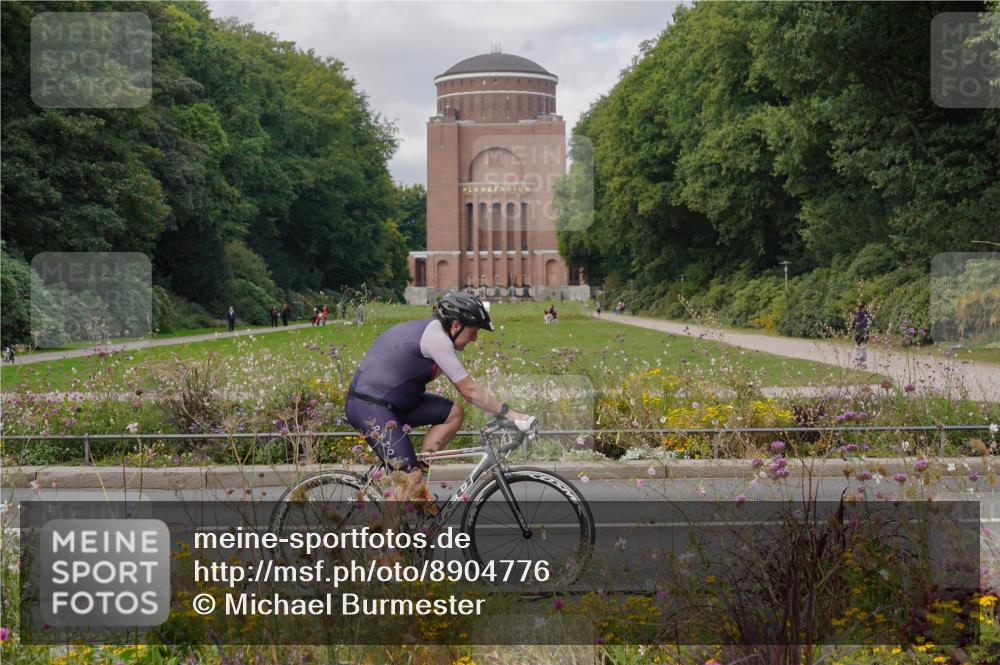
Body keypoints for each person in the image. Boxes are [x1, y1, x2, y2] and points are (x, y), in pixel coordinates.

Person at [345, 291, 536, 504]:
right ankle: (394, 535)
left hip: (395, 403)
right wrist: (511, 414)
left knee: (453, 414)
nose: (475, 338)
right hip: (369, 406)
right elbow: (470, 391)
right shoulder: (437, 339)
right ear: (456, 325)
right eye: (473, 330)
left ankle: (419, 485)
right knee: (408, 478)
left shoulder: (437, 334)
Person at [852, 300, 871, 369]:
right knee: (864, 348)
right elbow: (870, 323)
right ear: (864, 306)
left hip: (858, 332)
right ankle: (863, 363)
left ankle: (860, 362)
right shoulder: (867, 313)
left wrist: (853, 330)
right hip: (865, 332)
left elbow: (854, 323)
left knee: (858, 347)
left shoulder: (856, 313)